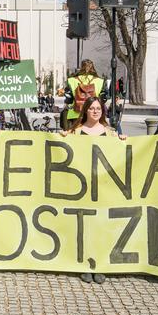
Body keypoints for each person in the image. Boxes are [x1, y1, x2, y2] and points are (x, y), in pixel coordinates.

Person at [62, 97, 125, 285]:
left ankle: (99, 265)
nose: (95, 111)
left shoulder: (111, 133)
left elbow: (120, 154)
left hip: (103, 188)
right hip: (81, 188)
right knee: (84, 227)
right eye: (92, 108)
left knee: (101, 226)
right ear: (85, 111)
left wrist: (123, 141)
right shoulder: (76, 131)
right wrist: (62, 137)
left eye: (98, 109)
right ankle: (83, 264)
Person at [63, 59, 108, 128]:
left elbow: (69, 99)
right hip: (93, 115)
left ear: (81, 67)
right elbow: (104, 99)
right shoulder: (100, 81)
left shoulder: (71, 80)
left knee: (75, 137)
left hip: (75, 115)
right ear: (93, 67)